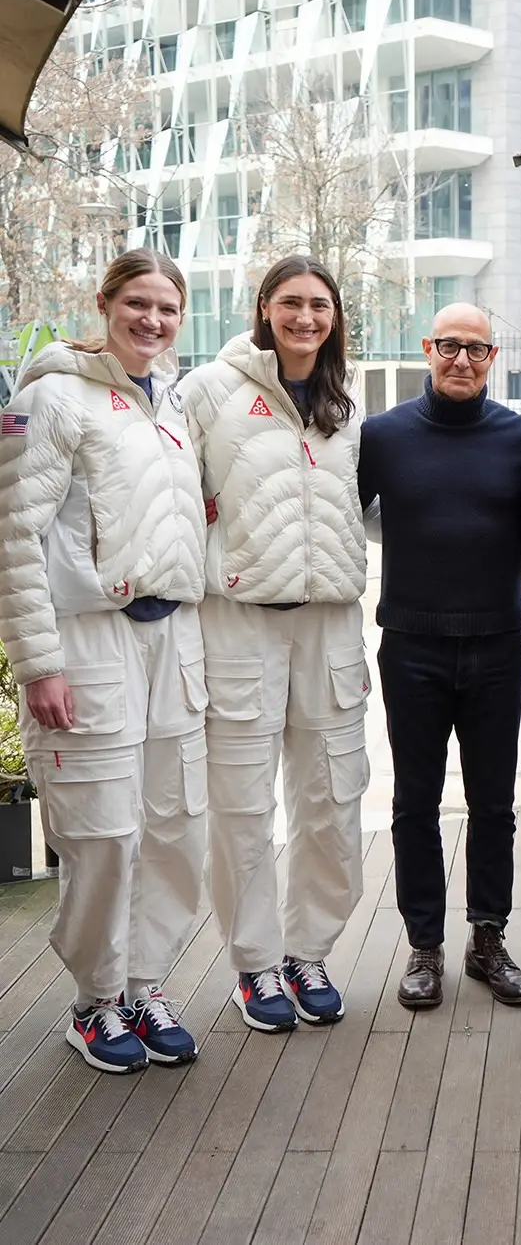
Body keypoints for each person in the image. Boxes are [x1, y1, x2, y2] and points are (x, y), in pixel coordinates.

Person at [0, 249, 207, 1073]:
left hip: (169, 641)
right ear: (106, 304)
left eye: (166, 308)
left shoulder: (171, 405)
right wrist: (38, 664)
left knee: (172, 827)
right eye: (137, 304)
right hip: (90, 642)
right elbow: (13, 535)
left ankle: (143, 984)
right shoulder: (53, 398)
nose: (151, 320)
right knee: (103, 834)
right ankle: (95, 1001)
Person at [181, 255, 369, 1032]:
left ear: (334, 318)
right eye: (291, 303)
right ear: (263, 308)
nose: (305, 318)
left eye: (319, 306)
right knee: (243, 806)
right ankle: (254, 966)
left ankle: (309, 951)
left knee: (331, 797)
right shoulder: (208, 392)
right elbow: (176, 497)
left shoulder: (344, 405)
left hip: (327, 625)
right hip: (240, 623)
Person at [358, 304, 521, 1010]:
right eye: (449, 346)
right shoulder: (384, 436)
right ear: (428, 349)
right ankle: (424, 947)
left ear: (493, 356)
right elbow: (343, 519)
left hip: (496, 644)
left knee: (495, 805)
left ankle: (487, 940)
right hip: (411, 648)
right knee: (414, 804)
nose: (462, 359)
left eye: (477, 349)